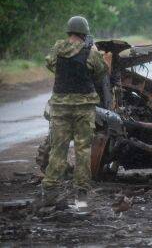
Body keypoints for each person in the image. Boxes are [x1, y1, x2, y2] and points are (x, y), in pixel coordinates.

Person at [40, 16, 111, 205]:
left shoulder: (58, 48)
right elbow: (101, 72)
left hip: (61, 107)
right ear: (84, 33)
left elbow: (50, 64)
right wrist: (99, 55)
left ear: (69, 31)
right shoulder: (91, 51)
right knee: (82, 150)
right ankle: (81, 195)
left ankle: (49, 192)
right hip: (83, 108)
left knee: (58, 149)